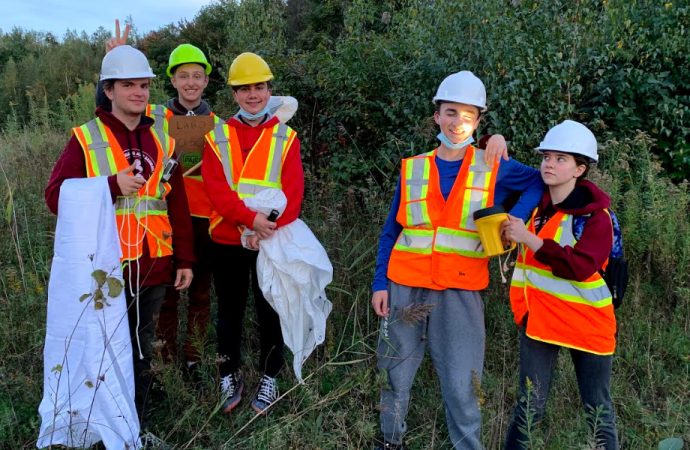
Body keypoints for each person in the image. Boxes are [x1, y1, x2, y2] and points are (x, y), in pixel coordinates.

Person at [370, 71, 544, 450]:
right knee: (394, 373)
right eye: (450, 112)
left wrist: (512, 223)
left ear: (478, 121)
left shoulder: (493, 163)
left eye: (467, 115)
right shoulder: (412, 166)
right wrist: (380, 283)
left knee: (463, 382)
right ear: (436, 115)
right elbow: (390, 230)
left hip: (461, 290)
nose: (456, 122)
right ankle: (390, 441)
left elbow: (538, 182)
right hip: (403, 285)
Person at [45, 45, 195, 422]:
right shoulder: (86, 139)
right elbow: (54, 197)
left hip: (156, 262)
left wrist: (185, 259)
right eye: (128, 85)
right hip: (106, 269)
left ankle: (136, 421)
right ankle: (103, 424)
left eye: (144, 85)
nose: (138, 93)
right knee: (107, 346)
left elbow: (175, 203)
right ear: (108, 90)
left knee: (140, 348)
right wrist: (110, 185)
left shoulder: (162, 139)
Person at [501, 120, 618, 449]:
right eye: (547, 157)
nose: (549, 164)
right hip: (540, 321)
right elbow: (498, 166)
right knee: (529, 408)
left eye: (561, 159)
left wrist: (528, 239)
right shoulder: (537, 205)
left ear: (580, 169)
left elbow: (580, 267)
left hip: (588, 325)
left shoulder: (596, 218)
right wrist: (493, 137)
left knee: (598, 411)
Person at [201, 52, 304, 415]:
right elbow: (216, 191)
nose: (252, 95)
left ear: (268, 89)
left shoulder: (286, 137)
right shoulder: (217, 137)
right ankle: (227, 373)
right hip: (227, 239)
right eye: (244, 89)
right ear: (233, 94)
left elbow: (293, 193)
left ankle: (270, 376)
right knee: (228, 312)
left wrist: (265, 227)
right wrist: (249, 221)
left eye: (259, 87)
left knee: (269, 311)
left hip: (270, 242)